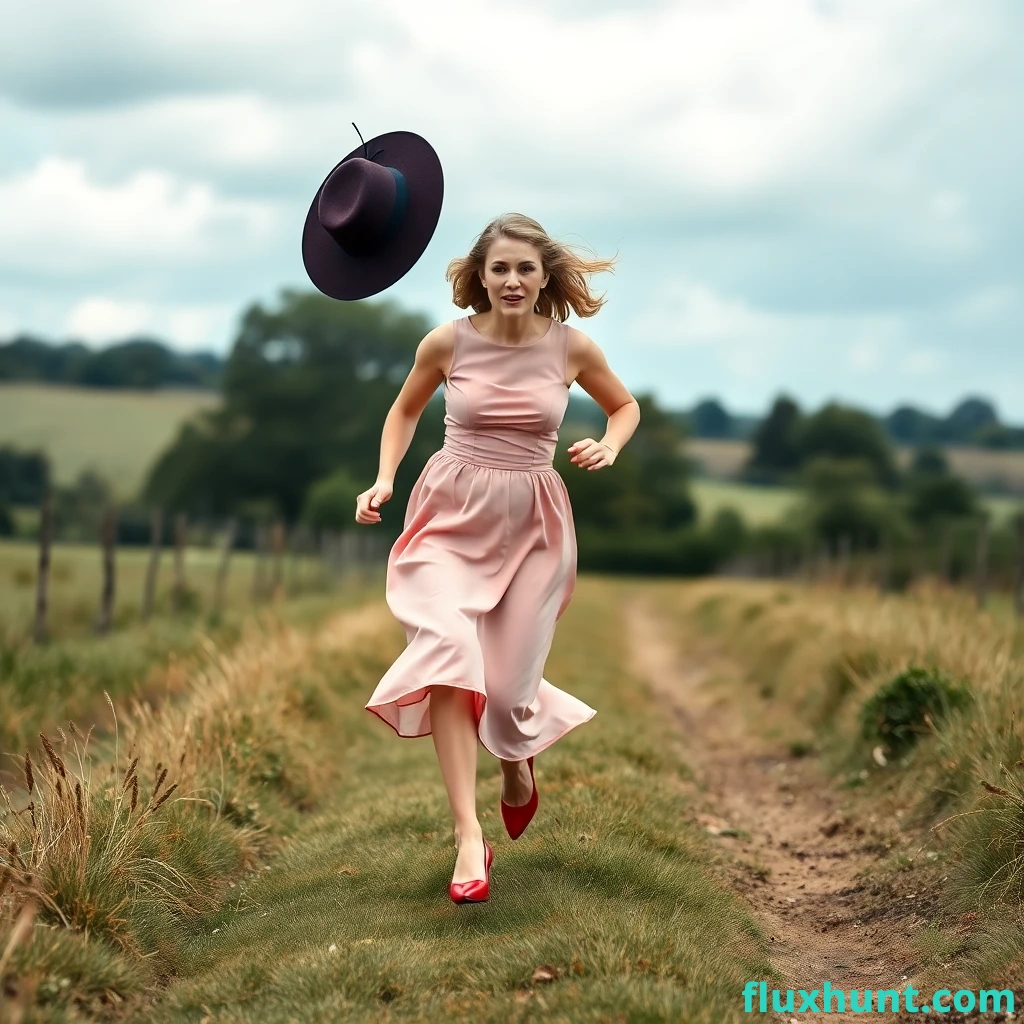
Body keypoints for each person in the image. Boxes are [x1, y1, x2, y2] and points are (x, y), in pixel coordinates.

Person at [356, 212, 640, 903]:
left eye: (525, 269)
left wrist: (610, 443)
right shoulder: (445, 343)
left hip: (533, 526)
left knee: (509, 698)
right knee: (449, 652)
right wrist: (386, 477)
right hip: (449, 516)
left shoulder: (573, 349)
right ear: (479, 277)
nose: (512, 281)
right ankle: (467, 839)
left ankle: (517, 761)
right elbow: (403, 412)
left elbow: (624, 407)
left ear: (546, 278)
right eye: (500, 268)